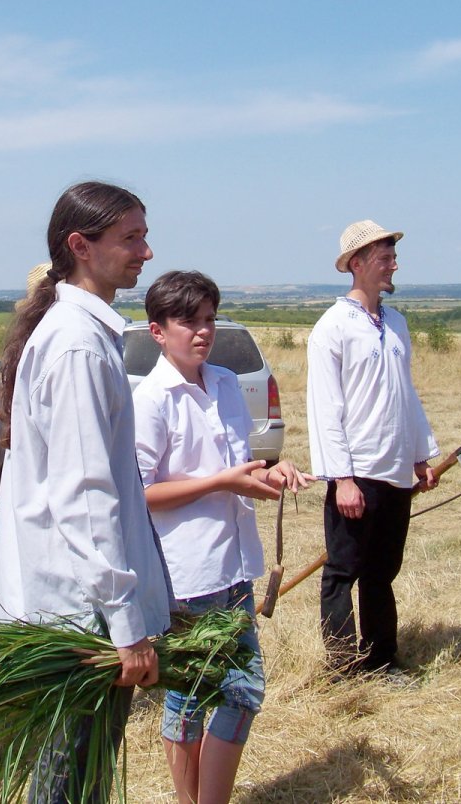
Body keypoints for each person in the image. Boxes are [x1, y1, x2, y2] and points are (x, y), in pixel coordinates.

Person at [0, 182, 173, 803]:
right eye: (131, 237)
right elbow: (85, 495)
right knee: (70, 777)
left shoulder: (81, 333)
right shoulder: (75, 343)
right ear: (80, 246)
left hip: (78, 602)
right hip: (81, 612)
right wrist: (126, 623)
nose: (146, 252)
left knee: (75, 773)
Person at [132, 269, 313, 804]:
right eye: (188, 320)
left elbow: (238, 466)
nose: (202, 331)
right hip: (186, 569)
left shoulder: (229, 385)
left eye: (209, 319)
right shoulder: (152, 399)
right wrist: (223, 482)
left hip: (234, 563)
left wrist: (271, 474)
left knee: (239, 691)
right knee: (193, 696)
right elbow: (140, 494)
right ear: (158, 331)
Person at [306, 220, 439, 675]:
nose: (393, 265)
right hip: (356, 471)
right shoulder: (333, 327)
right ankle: (343, 668)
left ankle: (383, 658)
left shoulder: (396, 323)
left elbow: (407, 393)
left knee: (382, 571)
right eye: (384, 258)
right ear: (357, 264)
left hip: (396, 469)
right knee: (343, 572)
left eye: (393, 256)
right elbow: (326, 408)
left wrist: (421, 456)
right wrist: (341, 478)